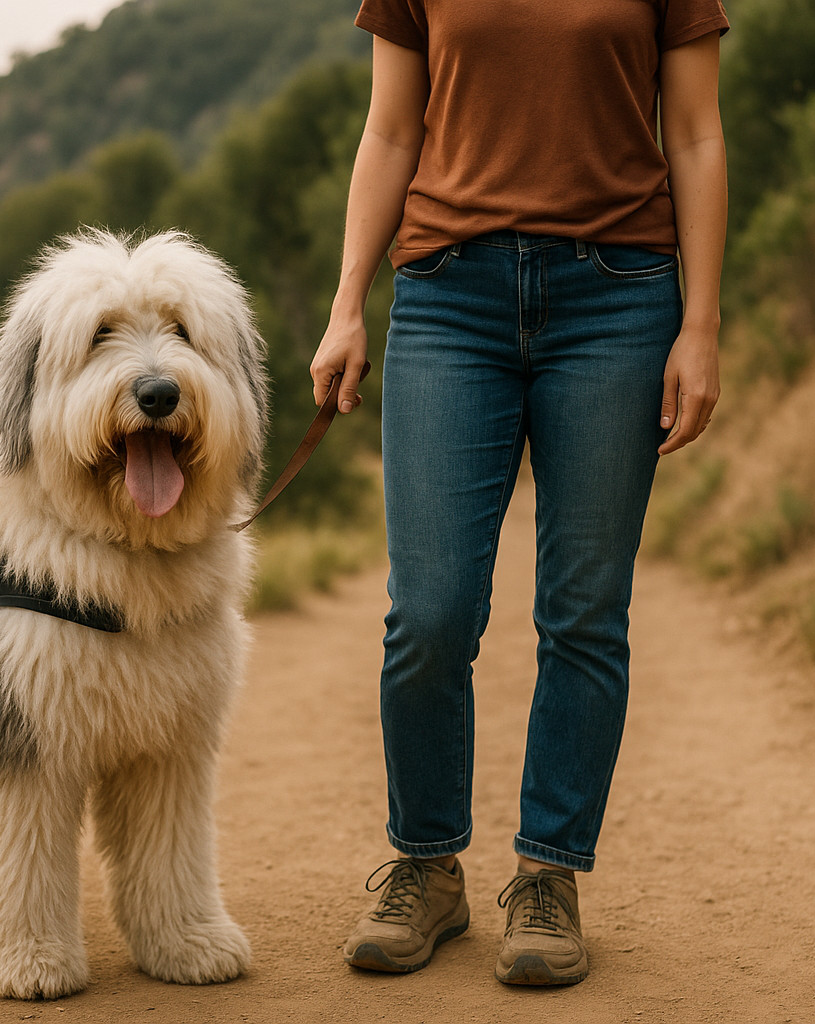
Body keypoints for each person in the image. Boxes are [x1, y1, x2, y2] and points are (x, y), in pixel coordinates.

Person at [310, 0, 730, 987]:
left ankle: (550, 874)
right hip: (447, 295)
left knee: (584, 610)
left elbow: (698, 133)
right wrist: (346, 303)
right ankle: (426, 862)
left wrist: (701, 323)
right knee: (431, 607)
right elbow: (390, 129)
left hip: (619, 294)